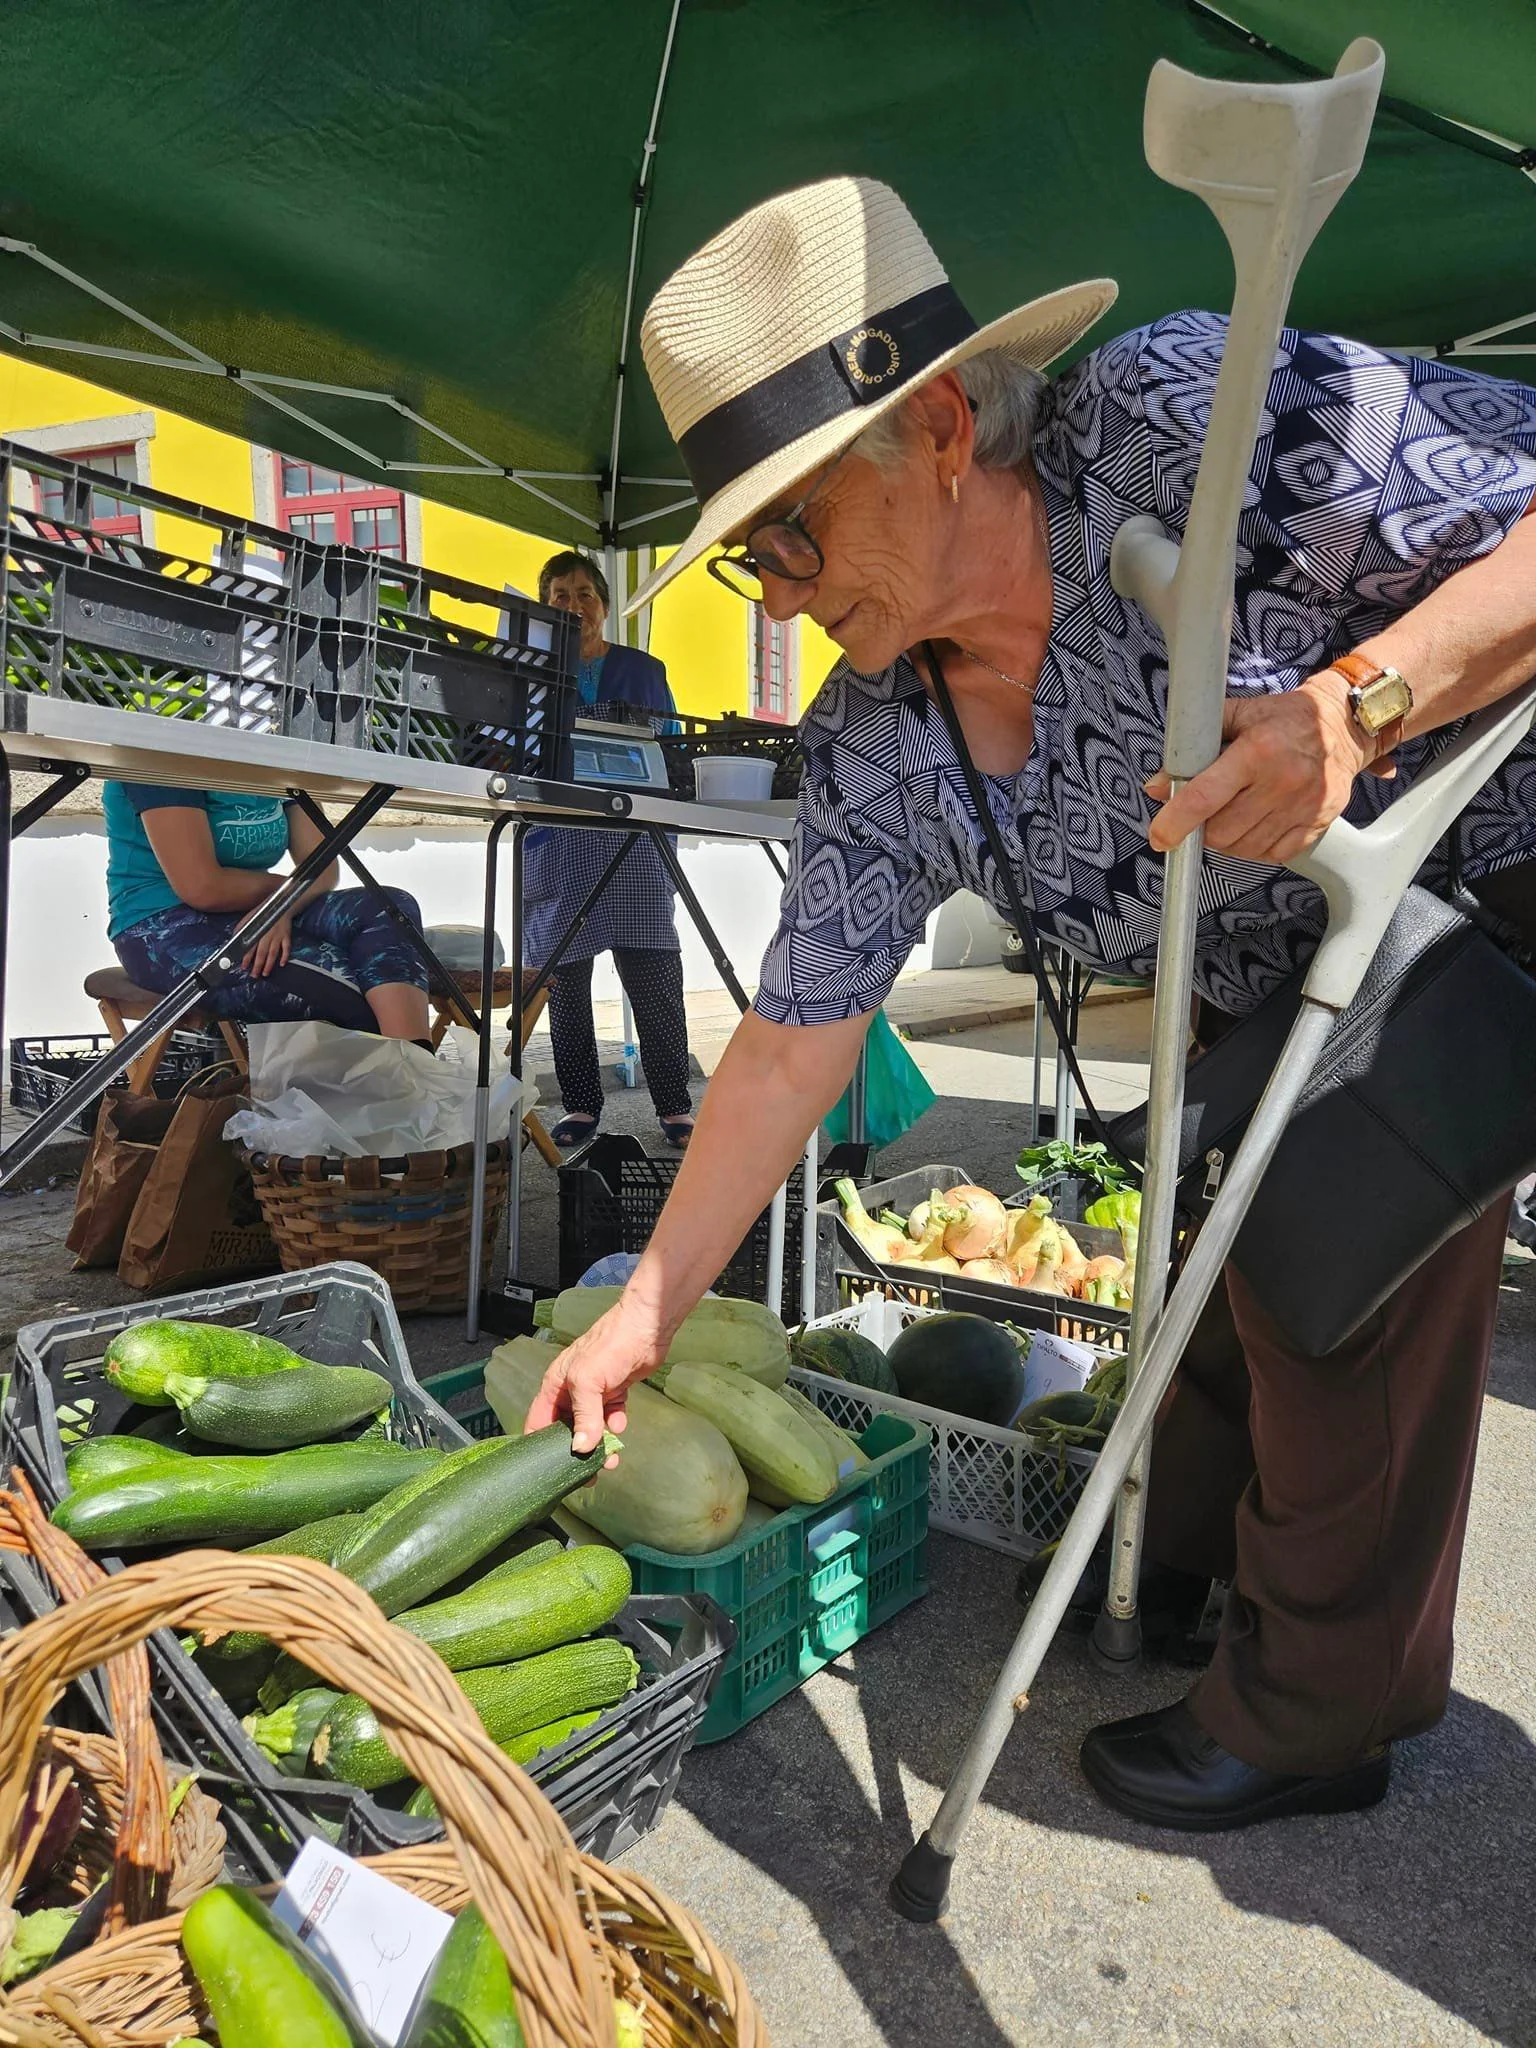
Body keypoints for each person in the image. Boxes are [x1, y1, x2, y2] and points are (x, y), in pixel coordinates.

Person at [526, 177, 1536, 1833]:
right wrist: (649, 1298)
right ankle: (1180, 1564)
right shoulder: (875, 728)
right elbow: (794, 1037)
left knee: (1317, 1251)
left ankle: (1320, 1710)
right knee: (1188, 1235)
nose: (777, 595)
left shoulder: (1174, 421)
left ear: (933, 425)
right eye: (747, 564)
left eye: (791, 534)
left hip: (1494, 870)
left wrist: (1360, 703)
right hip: (1271, 962)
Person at [526, 549, 696, 1148]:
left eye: (585, 595)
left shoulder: (645, 671)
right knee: (565, 982)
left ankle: (674, 1104)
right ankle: (580, 1106)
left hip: (635, 843)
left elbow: (672, 754)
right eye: (560, 597)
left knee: (654, 974)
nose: (574, 607)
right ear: (544, 609)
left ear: (604, 605)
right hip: (558, 842)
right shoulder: (528, 673)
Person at [104, 782, 431, 1040]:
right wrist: (279, 899)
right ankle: (401, 1098)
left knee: (388, 907)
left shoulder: (278, 755)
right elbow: (202, 887)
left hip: (257, 906)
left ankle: (415, 1082)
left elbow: (322, 866)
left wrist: (282, 907)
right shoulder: (162, 753)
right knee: (347, 986)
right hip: (162, 926)